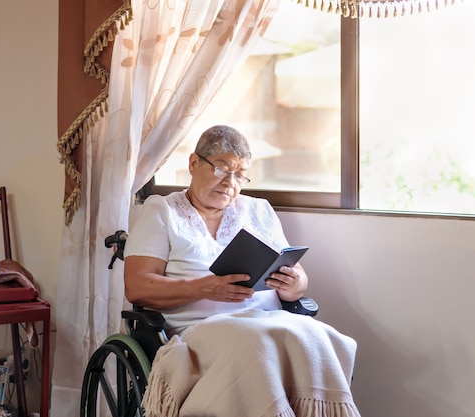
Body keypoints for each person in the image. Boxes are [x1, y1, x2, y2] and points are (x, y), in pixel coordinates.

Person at [123, 125, 360, 417]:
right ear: (194, 163)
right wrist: (205, 287)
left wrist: (294, 283)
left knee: (315, 335)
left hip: (266, 319)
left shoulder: (257, 210)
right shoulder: (161, 211)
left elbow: (298, 280)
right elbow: (137, 286)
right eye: (222, 169)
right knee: (255, 344)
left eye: (240, 175)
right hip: (201, 330)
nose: (231, 183)